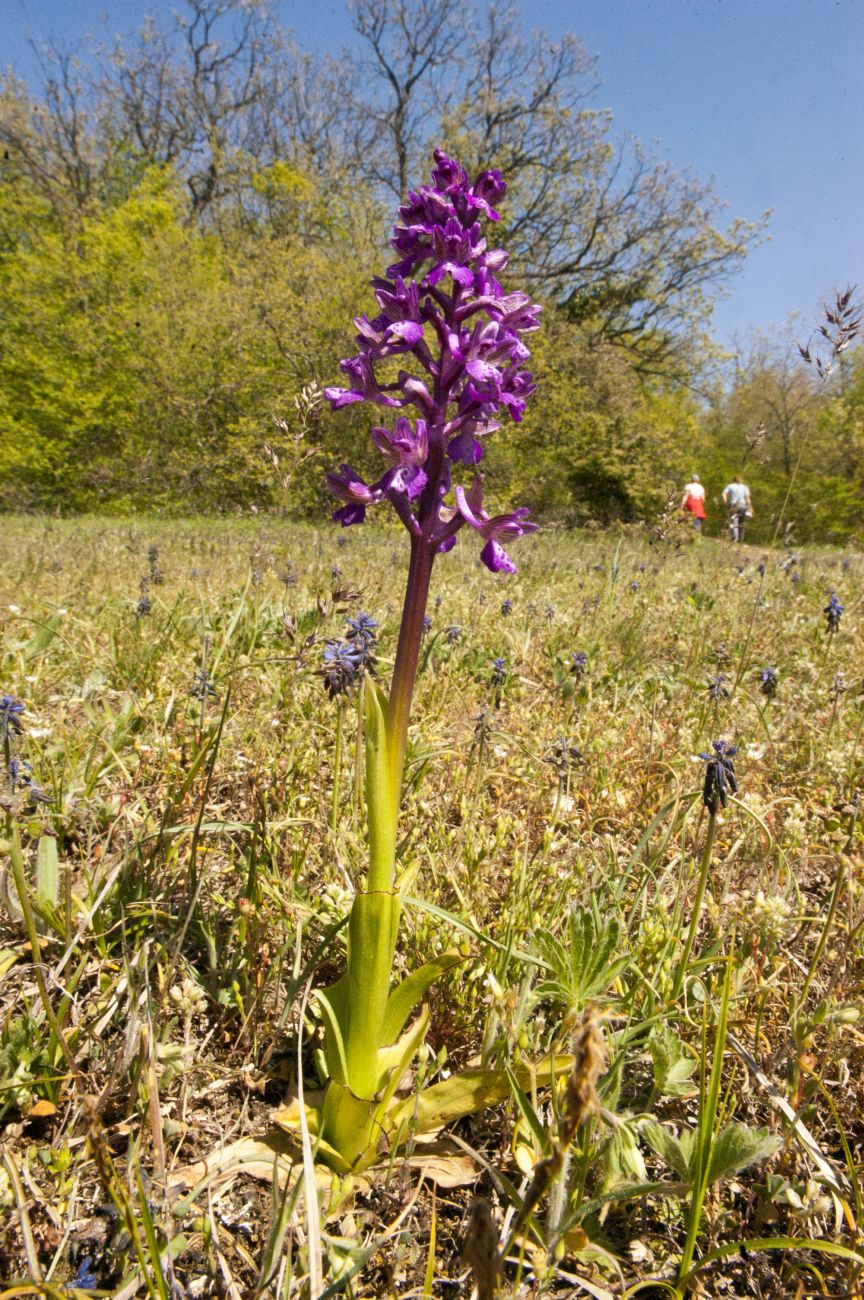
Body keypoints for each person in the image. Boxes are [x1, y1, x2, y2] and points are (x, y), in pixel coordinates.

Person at [722, 475, 752, 543]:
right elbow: (748, 499)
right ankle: (740, 539)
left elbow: (723, 494)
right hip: (743, 506)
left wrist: (726, 503)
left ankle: (734, 538)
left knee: (734, 522)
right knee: (741, 523)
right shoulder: (745, 487)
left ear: (733, 480)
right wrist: (750, 508)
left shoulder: (730, 486)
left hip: (734, 505)